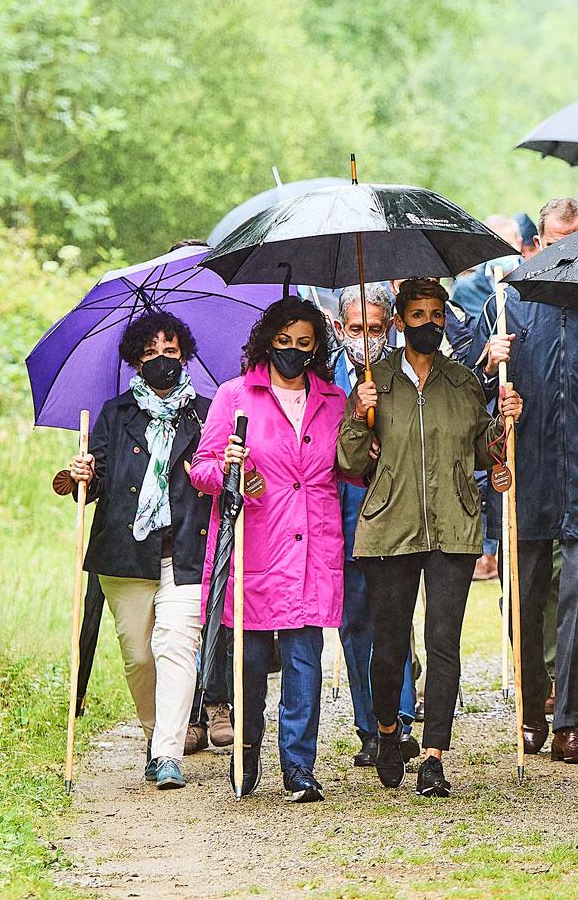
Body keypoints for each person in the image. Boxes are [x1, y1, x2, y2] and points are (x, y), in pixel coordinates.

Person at [340, 277, 524, 798]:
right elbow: (349, 462)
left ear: (445, 318)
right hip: (388, 528)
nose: (428, 323)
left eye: (436, 314)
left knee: (444, 643)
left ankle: (436, 755)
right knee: (390, 643)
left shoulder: (464, 382)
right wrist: (359, 414)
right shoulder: (375, 382)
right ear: (398, 322)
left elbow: (484, 454)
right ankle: (389, 731)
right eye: (416, 315)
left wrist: (505, 423)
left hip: (454, 525)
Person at [478, 197, 578, 764]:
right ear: (538, 242)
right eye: (554, 238)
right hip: (528, 471)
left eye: (575, 237)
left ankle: (568, 721)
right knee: (524, 597)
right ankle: (531, 708)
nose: (564, 248)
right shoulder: (510, 302)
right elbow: (477, 394)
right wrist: (494, 376)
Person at [191, 296, 348, 802]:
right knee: (251, 665)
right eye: (283, 342)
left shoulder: (334, 401)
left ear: (317, 348)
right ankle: (247, 755)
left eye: (304, 344)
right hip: (256, 544)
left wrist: (365, 425)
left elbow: (349, 469)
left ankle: (299, 767)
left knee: (305, 663)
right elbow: (202, 470)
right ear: (266, 343)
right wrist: (232, 468)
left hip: (312, 545)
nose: (293, 351)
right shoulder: (235, 396)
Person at [53, 310, 212, 789]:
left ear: (184, 355)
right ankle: (153, 734)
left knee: (176, 646)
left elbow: (216, 476)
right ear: (135, 362)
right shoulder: (114, 414)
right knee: (140, 657)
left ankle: (167, 753)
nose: (161, 361)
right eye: (150, 354)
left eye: (170, 352)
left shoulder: (206, 412)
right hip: (125, 553)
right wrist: (82, 473)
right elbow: (98, 479)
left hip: (184, 549)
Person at [333, 283, 421, 767]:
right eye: (355, 328)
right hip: (342, 517)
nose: (364, 337)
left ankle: (400, 720)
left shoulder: (401, 376)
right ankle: (369, 726)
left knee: (394, 619)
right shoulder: (326, 379)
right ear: (340, 329)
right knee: (356, 623)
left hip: (392, 513)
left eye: (373, 328)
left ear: (389, 328)